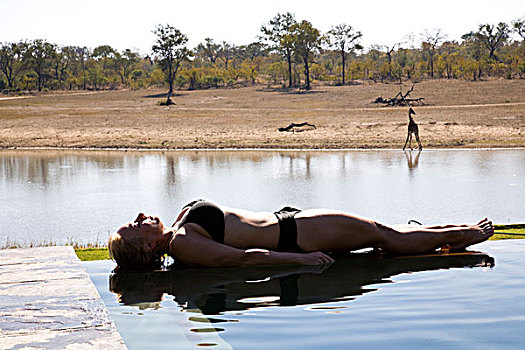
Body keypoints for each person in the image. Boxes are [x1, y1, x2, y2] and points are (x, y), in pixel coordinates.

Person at [108, 199, 494, 269]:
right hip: (299, 237)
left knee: (384, 231)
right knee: (385, 236)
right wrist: (302, 259)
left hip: (293, 222)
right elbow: (242, 258)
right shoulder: (183, 244)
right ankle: (466, 235)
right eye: (135, 223)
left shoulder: (177, 227)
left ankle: (455, 233)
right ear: (147, 245)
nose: (141, 215)